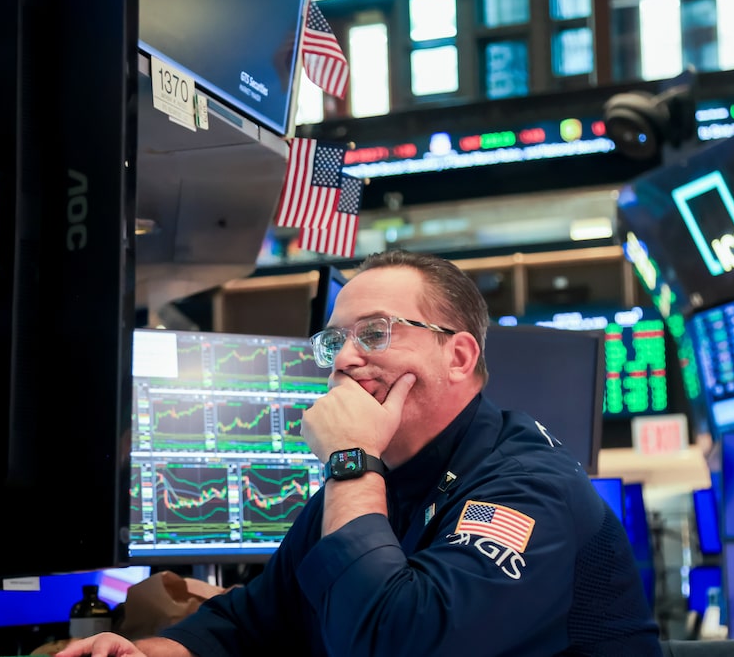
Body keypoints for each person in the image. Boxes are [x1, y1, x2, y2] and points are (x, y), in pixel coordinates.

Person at [59, 249, 662, 657]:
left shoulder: (527, 487)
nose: (345, 359)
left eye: (375, 333)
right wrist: (147, 652)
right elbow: (253, 620)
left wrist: (351, 458)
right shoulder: (375, 477)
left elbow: (394, 643)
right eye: (334, 342)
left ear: (459, 357)